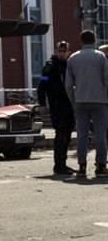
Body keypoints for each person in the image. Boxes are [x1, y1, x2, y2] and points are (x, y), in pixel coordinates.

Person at [65, 30, 108, 178]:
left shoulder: (72, 58)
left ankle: (82, 166)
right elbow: (106, 78)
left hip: (81, 101)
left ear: (81, 41)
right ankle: (101, 165)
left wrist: (73, 100)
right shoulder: (101, 57)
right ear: (94, 40)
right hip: (100, 100)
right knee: (100, 135)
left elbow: (69, 84)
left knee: (82, 135)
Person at [37, 41, 74, 175]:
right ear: (56, 51)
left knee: (67, 134)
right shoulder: (50, 66)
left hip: (69, 105)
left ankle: (63, 163)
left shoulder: (69, 65)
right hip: (57, 105)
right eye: (60, 50)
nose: (62, 53)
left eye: (65, 51)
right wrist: (42, 104)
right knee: (61, 135)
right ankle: (58, 165)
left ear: (68, 52)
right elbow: (41, 86)